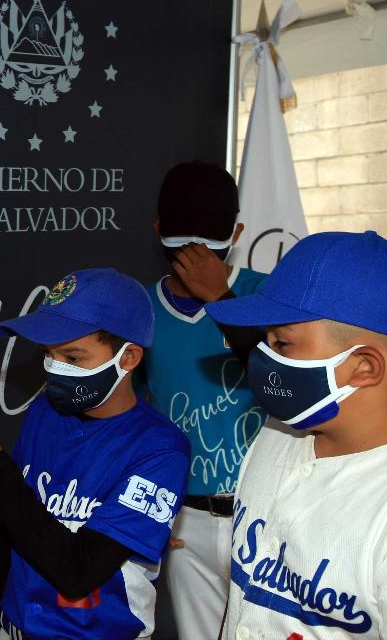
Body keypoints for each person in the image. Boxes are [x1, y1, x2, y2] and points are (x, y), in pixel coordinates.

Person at [0, 268, 191, 639]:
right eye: (48, 354)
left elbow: (78, 572)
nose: (54, 368)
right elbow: (20, 520)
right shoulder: (45, 411)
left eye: (72, 357)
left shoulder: (161, 450)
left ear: (129, 358)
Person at [204, 230, 387, 640]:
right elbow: (242, 599)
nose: (262, 355)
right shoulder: (279, 431)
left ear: (363, 367)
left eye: (281, 343)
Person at [140, 160, 267, 640]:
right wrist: (149, 510)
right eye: (182, 240)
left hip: (263, 513)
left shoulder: (267, 294)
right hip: (185, 519)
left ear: (237, 234)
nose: (195, 253)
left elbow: (285, 385)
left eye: (208, 242)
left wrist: (222, 298)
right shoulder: (144, 308)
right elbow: (129, 417)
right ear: (158, 231)